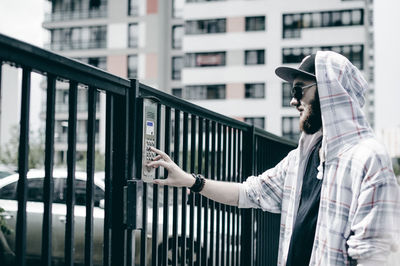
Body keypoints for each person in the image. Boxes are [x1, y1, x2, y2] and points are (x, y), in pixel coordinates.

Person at [147, 51, 400, 266]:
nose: (293, 100)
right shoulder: (301, 158)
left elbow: (374, 256)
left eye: (299, 89)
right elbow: (249, 192)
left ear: (329, 91)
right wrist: (192, 181)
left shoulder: (368, 160)